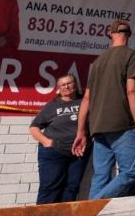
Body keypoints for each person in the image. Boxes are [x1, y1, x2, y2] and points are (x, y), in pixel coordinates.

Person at [72, 19, 135, 199]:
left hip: (97, 127)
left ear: (110, 35)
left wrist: (81, 131)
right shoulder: (131, 55)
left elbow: (87, 98)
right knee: (130, 173)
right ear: (128, 35)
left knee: (100, 177)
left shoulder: (98, 62)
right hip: (121, 125)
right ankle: (92, 206)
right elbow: (132, 91)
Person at [29, 74, 90, 203]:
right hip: (54, 153)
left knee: (72, 188)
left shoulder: (84, 101)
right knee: (50, 189)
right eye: (63, 84)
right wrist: (47, 142)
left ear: (75, 84)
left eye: (69, 83)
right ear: (59, 88)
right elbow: (34, 127)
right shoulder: (52, 105)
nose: (67, 86)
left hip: (78, 154)